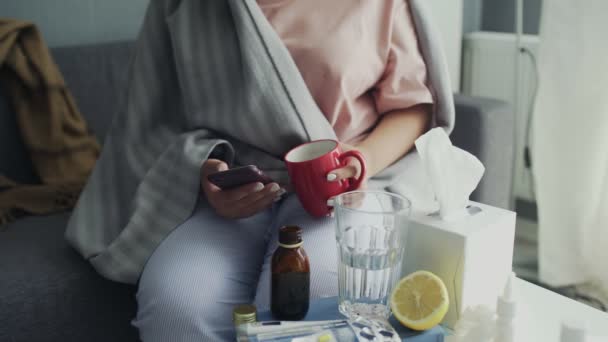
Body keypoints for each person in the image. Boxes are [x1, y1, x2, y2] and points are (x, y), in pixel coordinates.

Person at [132, 0, 433, 340]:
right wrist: (204, 167)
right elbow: (154, 117)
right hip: (236, 193)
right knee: (176, 310)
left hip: (341, 189)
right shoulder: (184, 6)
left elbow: (413, 106)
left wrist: (363, 159)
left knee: (309, 300)